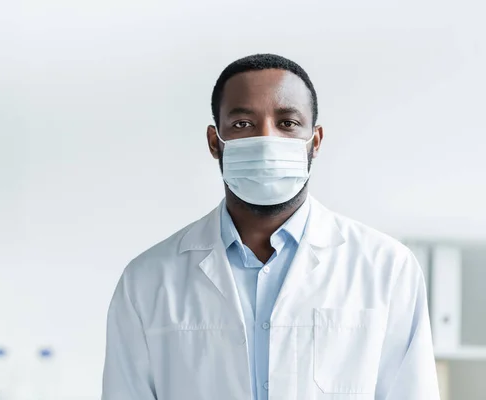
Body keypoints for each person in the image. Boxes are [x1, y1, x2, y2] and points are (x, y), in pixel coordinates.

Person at [102, 53, 440, 400]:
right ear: (214, 142)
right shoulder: (147, 279)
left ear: (316, 140)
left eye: (288, 123)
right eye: (243, 124)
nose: (266, 141)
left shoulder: (386, 267)